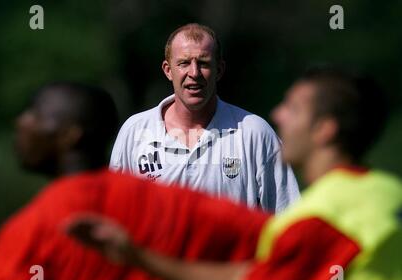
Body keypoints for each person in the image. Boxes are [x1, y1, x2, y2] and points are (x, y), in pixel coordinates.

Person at [67, 67, 402, 280]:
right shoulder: (388, 191)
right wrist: (136, 257)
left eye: (294, 109)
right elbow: (254, 276)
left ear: (324, 130)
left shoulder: (322, 217)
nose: (278, 114)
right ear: (168, 69)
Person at [0, 81, 267, 280]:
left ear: (69, 136)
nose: (21, 122)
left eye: (36, 115)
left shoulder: (33, 229)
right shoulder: (178, 204)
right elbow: (283, 246)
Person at [110, 23, 299, 211]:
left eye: (204, 63)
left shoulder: (255, 132)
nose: (194, 73)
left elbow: (287, 217)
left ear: (219, 70)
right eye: (184, 63)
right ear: (168, 70)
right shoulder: (135, 130)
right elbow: (115, 214)